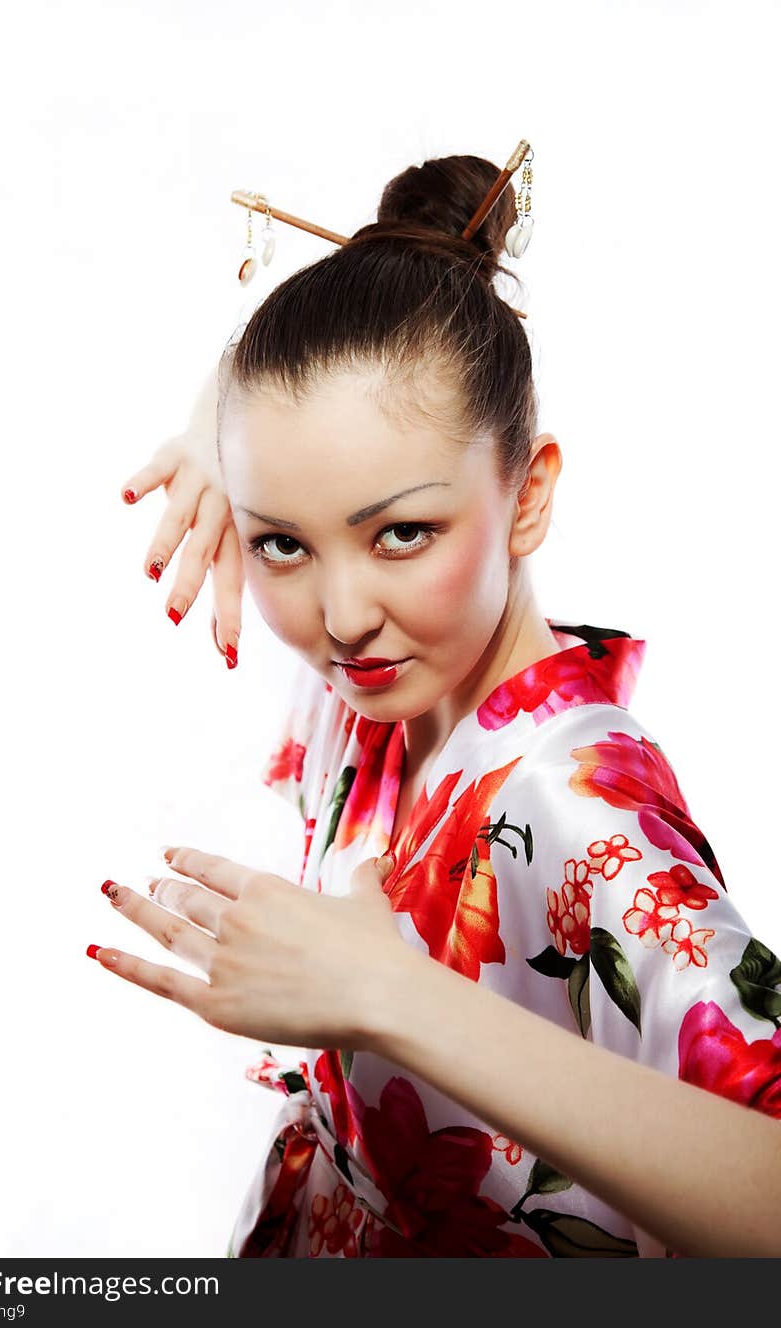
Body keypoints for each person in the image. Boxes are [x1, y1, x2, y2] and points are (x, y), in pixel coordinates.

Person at [89, 154, 781, 1259]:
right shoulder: (391, 685)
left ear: (529, 494)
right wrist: (235, 422)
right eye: (282, 542)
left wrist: (392, 994)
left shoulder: (579, 811)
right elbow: (395, 279)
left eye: (400, 531)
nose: (342, 613)